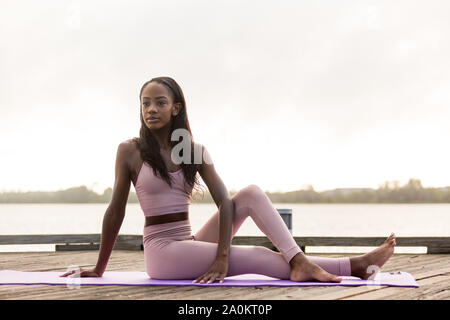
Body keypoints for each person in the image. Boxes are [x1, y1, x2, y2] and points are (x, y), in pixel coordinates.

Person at [61, 76, 397, 284]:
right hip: (163, 253)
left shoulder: (192, 150)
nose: (151, 109)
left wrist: (221, 256)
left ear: (176, 108)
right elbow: (115, 212)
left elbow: (225, 202)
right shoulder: (130, 151)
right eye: (145, 103)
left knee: (249, 193)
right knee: (257, 255)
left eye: (160, 103)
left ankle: (302, 262)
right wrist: (99, 268)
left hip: (188, 240)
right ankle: (354, 265)